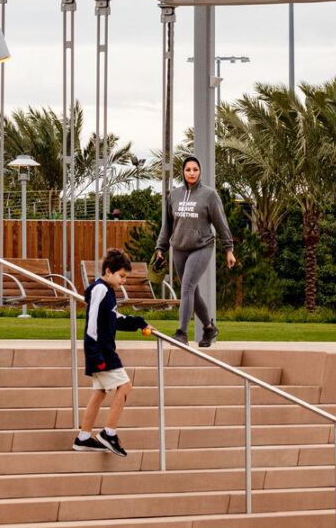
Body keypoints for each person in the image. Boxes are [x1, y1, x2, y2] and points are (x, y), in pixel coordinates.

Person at [153, 154, 236, 347]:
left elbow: (221, 223)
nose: (191, 173)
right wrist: (160, 248)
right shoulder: (174, 195)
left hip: (202, 246)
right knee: (193, 290)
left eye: (195, 170)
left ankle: (182, 332)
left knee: (187, 287)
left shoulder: (209, 195)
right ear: (183, 172)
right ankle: (209, 328)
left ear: (200, 172)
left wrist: (228, 249)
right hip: (179, 248)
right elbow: (167, 226)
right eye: (188, 169)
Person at [73, 248, 151, 456]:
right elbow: (92, 324)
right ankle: (109, 433)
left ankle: (83, 438)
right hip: (101, 351)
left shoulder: (107, 291)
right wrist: (95, 354)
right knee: (125, 386)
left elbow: (114, 320)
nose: (124, 281)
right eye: (122, 276)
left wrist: (139, 323)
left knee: (99, 392)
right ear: (109, 271)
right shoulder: (101, 290)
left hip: (101, 350)